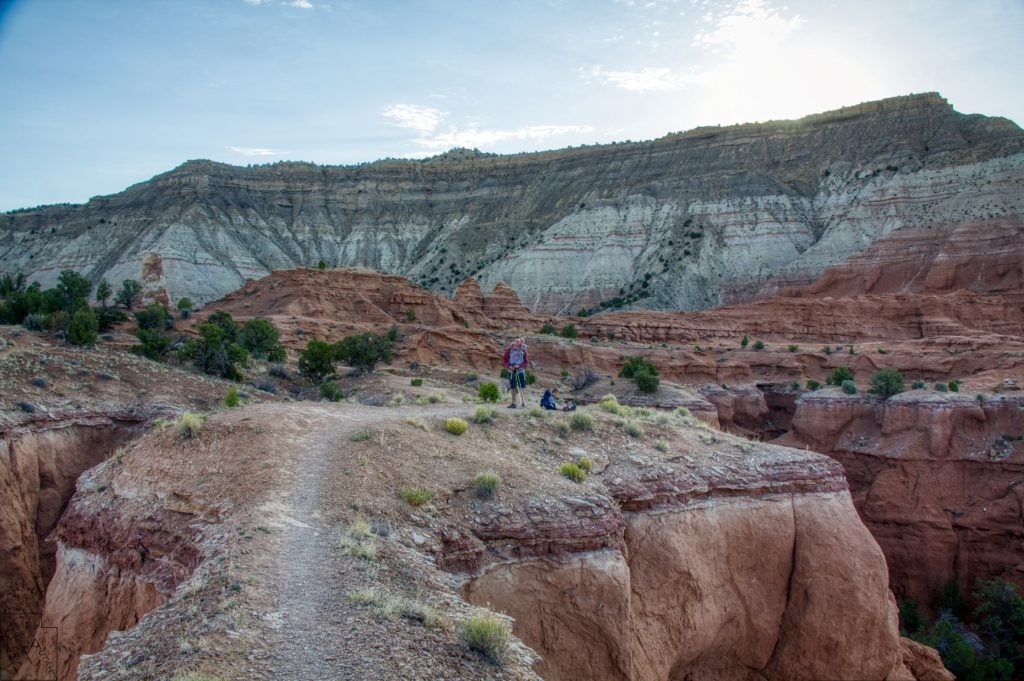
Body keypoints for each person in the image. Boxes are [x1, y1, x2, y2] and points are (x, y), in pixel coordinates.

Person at [502, 337, 529, 408]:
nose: (517, 342)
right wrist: (509, 366)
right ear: (514, 342)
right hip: (511, 370)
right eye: (516, 341)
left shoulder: (524, 350)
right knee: (513, 387)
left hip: (520, 371)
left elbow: (526, 362)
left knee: (521, 387)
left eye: (519, 341)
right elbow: (504, 360)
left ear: (521, 342)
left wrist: (519, 366)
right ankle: (513, 403)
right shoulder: (509, 350)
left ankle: (523, 403)